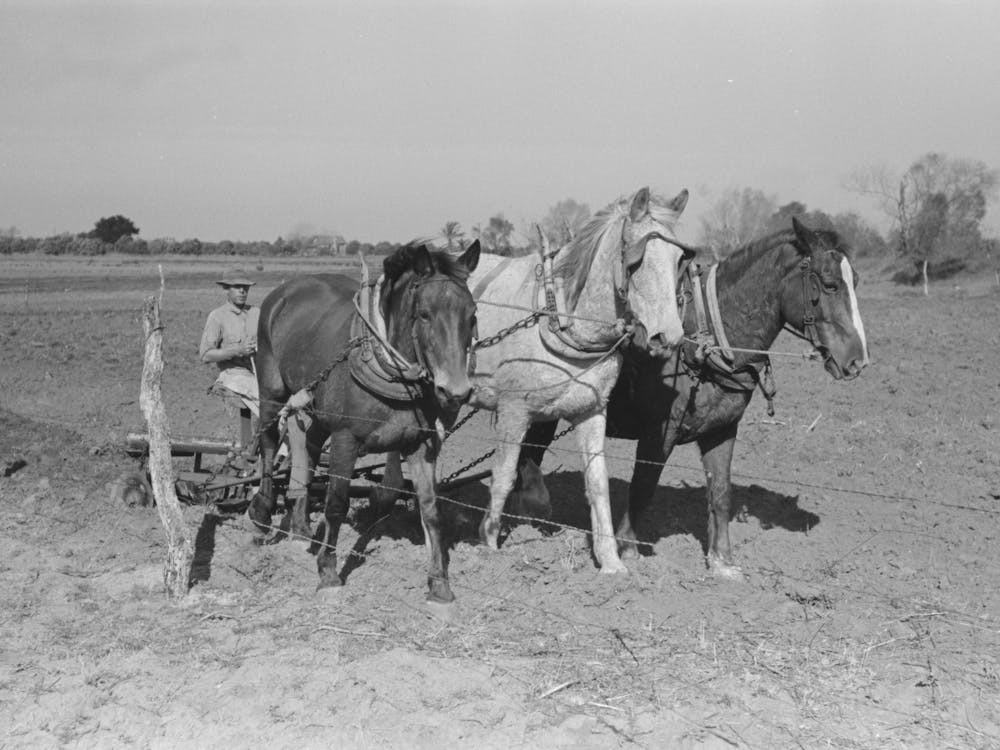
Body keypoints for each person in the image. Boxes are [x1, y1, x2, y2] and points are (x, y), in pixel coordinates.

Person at [199, 269, 261, 454]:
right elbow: (205, 355)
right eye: (237, 287)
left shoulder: (257, 313)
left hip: (259, 373)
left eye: (245, 287)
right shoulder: (218, 316)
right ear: (227, 289)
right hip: (233, 374)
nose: (242, 291)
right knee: (271, 406)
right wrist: (237, 351)